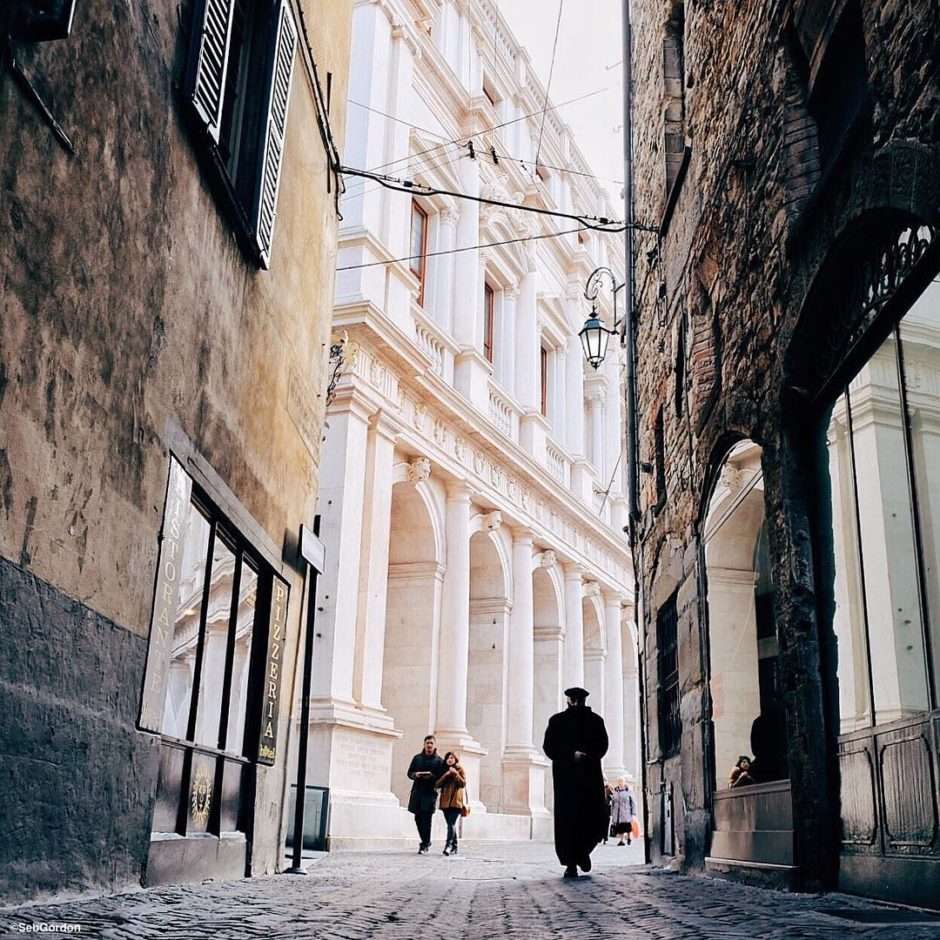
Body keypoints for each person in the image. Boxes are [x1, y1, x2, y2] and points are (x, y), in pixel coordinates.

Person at [542, 686, 609, 879]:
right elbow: (549, 747)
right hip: (566, 779)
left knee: (593, 816)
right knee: (568, 821)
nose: (576, 702)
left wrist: (587, 756)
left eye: (578, 699)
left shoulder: (596, 721)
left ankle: (582, 853)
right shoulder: (557, 721)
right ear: (569, 700)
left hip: (588, 776)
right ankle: (571, 862)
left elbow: (602, 745)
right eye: (574, 699)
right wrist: (571, 755)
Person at [407, 735, 446, 853]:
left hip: (430, 793)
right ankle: (425, 841)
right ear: (424, 744)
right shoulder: (416, 758)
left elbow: (441, 778)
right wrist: (416, 775)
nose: (429, 745)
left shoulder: (439, 761)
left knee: (426, 819)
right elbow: (409, 773)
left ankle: (425, 843)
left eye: (431, 743)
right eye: (427, 743)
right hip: (417, 792)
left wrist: (432, 777)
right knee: (417, 818)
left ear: (435, 745)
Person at [435, 751, 467, 856]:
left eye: (452, 757)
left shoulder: (460, 769)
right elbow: (438, 784)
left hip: (456, 802)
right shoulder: (444, 770)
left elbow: (462, 784)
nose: (450, 759)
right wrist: (447, 775)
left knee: (451, 824)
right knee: (450, 825)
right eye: (448, 757)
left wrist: (455, 774)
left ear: (455, 759)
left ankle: (448, 846)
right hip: (445, 802)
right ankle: (455, 846)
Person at [610, 777, 637, 846]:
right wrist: (612, 813)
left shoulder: (628, 791)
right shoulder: (615, 791)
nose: (620, 783)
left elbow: (633, 802)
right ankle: (621, 841)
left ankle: (629, 838)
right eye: (619, 781)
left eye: (621, 781)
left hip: (626, 812)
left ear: (624, 782)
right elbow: (613, 802)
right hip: (618, 813)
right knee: (620, 828)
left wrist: (634, 813)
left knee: (627, 827)